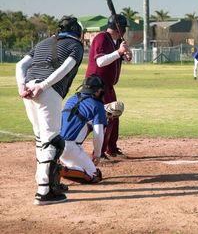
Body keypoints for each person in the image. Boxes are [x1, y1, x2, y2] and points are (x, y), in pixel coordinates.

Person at [15, 16, 84, 205]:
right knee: (53, 141)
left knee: (41, 139)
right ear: (77, 31)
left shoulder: (44, 42)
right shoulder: (76, 45)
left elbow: (20, 65)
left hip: (29, 87)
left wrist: (22, 86)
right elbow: (66, 67)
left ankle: (48, 183)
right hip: (48, 91)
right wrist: (44, 86)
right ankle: (44, 192)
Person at [59, 75, 122, 184]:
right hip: (69, 148)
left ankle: (60, 166)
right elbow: (98, 134)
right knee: (94, 175)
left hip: (56, 144)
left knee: (77, 158)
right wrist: (97, 155)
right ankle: (59, 169)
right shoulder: (97, 106)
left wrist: (103, 114)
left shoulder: (72, 98)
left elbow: (81, 116)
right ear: (97, 91)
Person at [86, 14, 131, 160]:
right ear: (120, 28)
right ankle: (99, 153)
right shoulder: (101, 38)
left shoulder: (116, 41)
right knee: (105, 118)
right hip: (97, 86)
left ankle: (112, 148)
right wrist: (119, 52)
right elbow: (100, 61)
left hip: (108, 86)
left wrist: (125, 55)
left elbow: (118, 57)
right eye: (124, 28)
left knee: (115, 115)